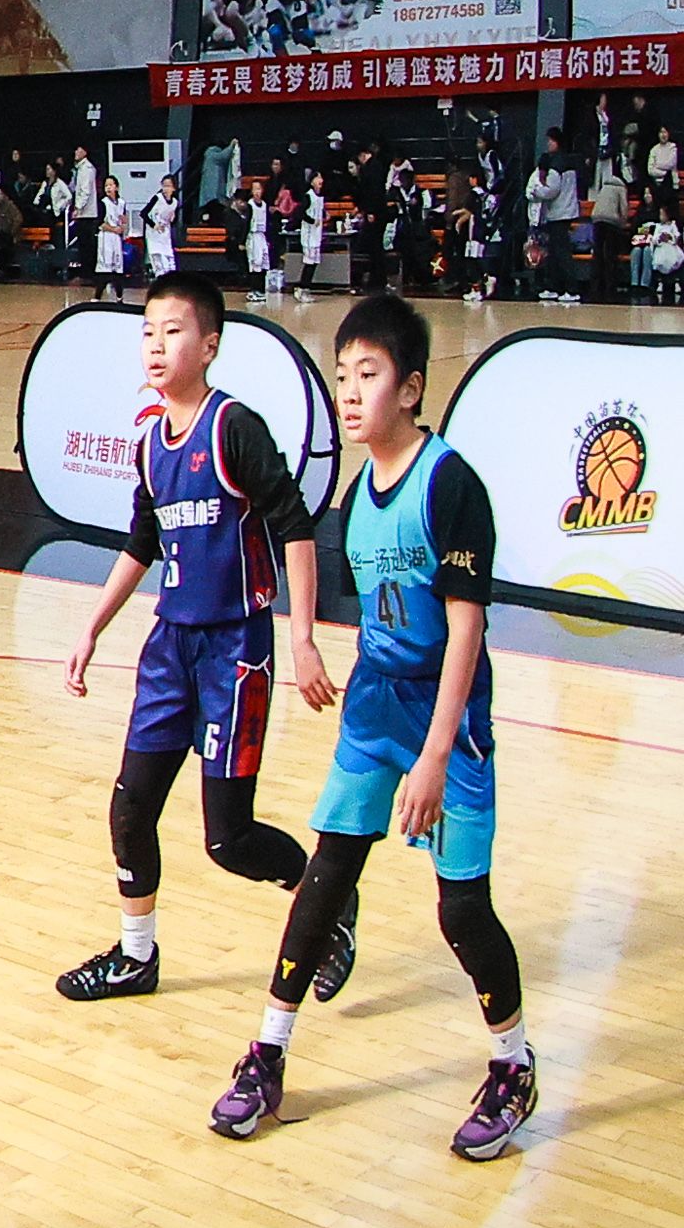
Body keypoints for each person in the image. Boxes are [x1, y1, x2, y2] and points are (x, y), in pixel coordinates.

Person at [211, 296, 533, 1155]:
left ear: (412, 388)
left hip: (447, 718)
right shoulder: (358, 496)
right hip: (374, 703)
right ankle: (268, 1053)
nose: (349, 393)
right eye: (342, 376)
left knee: (461, 910)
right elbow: (373, 606)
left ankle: (513, 1063)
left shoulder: (450, 484)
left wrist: (434, 755)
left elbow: (465, 631)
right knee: (326, 875)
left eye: (368, 375)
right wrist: (310, 647)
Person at [55, 273, 332, 1006]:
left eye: (172, 331)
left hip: (234, 651)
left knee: (228, 840)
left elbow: (295, 525)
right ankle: (135, 956)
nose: (156, 344)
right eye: (147, 331)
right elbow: (141, 541)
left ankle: (324, 898)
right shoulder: (151, 443)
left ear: (209, 345)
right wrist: (91, 627)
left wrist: (303, 638)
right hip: (169, 649)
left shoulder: (233, 426)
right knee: (130, 809)